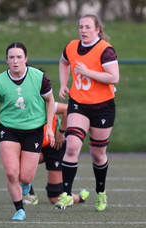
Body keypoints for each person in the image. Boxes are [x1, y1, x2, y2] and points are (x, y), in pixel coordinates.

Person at [0, 42, 56, 221]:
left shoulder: (39, 77)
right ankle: (19, 209)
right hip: (9, 129)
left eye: (19, 57)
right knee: (11, 172)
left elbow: (50, 101)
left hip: (34, 130)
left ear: (26, 59)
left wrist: (50, 129)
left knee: (26, 175)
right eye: (11, 57)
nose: (15, 61)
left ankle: (26, 184)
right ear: (6, 60)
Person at [55, 14, 119, 211]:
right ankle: (66, 194)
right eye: (81, 27)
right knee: (72, 145)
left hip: (102, 107)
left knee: (98, 154)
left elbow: (114, 77)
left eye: (88, 27)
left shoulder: (105, 50)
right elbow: (64, 62)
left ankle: (101, 192)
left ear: (97, 29)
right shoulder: (72, 46)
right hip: (79, 103)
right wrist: (64, 84)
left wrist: (87, 72)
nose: (83, 30)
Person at [22, 102, 89, 205]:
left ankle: (79, 198)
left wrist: (61, 132)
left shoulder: (43, 102)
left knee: (55, 196)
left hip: (55, 146)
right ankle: (29, 195)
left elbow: (67, 109)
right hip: (36, 145)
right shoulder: (21, 104)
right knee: (16, 162)